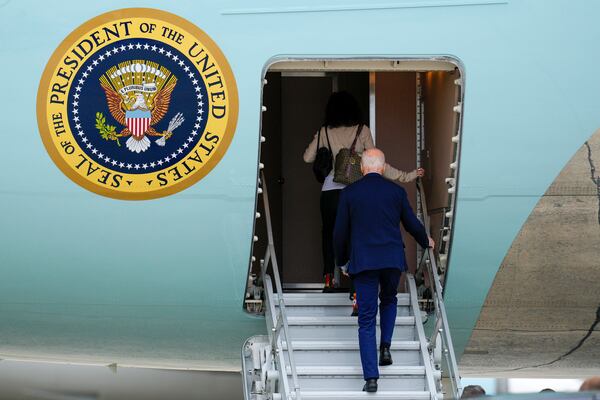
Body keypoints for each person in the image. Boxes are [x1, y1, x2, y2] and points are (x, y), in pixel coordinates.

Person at [333, 148, 433, 393]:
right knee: (389, 300)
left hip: (364, 262)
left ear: (363, 168)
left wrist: (342, 262)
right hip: (391, 260)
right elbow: (411, 223)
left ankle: (371, 378)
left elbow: (339, 233)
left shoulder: (349, 193)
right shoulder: (396, 192)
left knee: (366, 319)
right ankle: (385, 346)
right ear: (383, 166)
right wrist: (425, 240)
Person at [304, 91, 424, 291]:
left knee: (328, 234)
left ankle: (327, 278)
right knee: (355, 234)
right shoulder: (363, 130)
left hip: (330, 191)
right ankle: (356, 290)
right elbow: (376, 162)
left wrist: (322, 143)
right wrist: (407, 175)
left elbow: (307, 157)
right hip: (356, 192)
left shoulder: (325, 131)